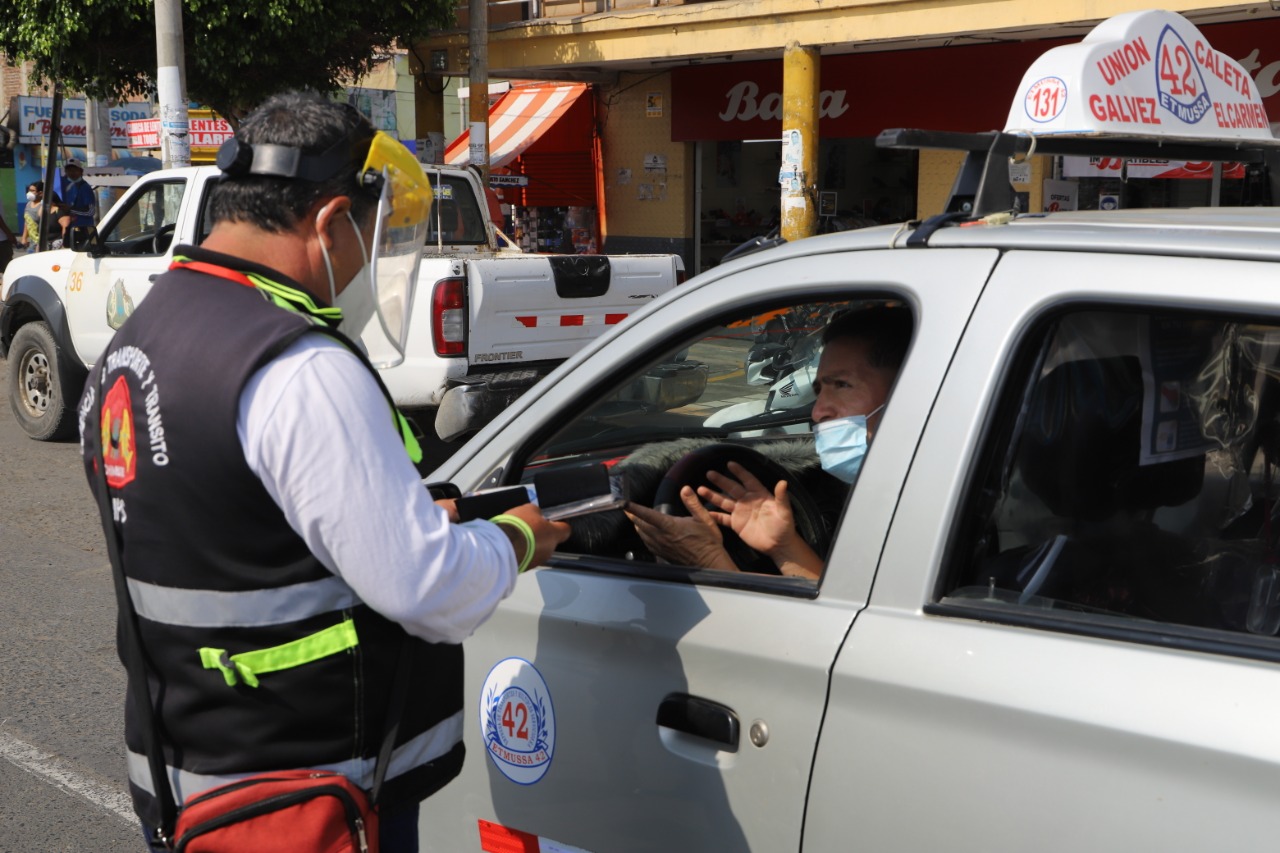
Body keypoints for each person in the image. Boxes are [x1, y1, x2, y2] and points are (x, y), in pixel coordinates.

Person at [78, 91, 570, 852]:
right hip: (308, 797)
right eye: (371, 237)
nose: (368, 262)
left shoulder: (143, 332)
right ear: (331, 221)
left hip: (192, 785)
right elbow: (426, 589)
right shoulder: (296, 365)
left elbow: (232, 537)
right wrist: (517, 539)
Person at [626, 305, 912, 580]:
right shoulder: (892, 490)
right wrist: (783, 545)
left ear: (910, 389)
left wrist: (709, 560)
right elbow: (839, 595)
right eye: (819, 390)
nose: (817, 412)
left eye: (842, 385)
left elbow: (847, 615)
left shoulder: (923, 511)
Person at [56, 157, 96, 239]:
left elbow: (91, 212)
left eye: (74, 170)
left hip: (84, 230)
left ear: (81, 171)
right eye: (69, 170)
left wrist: (70, 210)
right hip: (69, 230)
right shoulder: (63, 185)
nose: (71, 173)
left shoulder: (85, 188)